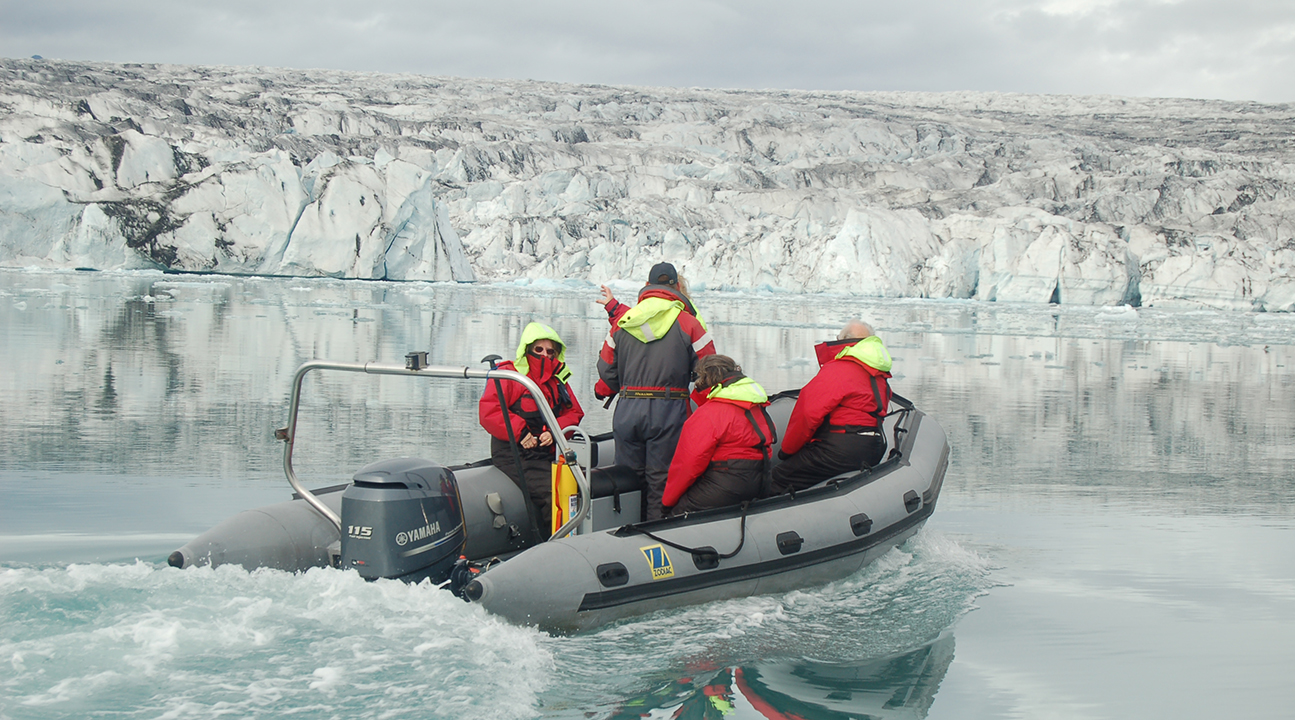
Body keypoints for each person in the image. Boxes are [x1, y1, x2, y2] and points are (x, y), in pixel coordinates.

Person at [595, 262, 716, 520]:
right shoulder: (689, 323)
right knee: (661, 478)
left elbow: (606, 371)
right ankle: (655, 539)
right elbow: (709, 370)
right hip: (668, 411)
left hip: (627, 411)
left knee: (627, 477)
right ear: (676, 287)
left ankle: (624, 535)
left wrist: (614, 387)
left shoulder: (624, 322)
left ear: (647, 287)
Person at [479, 322, 584, 534]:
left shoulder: (558, 379)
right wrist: (521, 432)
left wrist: (554, 432)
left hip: (546, 454)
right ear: (527, 349)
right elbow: (489, 412)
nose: (544, 355)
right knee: (552, 492)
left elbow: (574, 412)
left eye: (550, 351)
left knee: (579, 483)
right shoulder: (509, 375)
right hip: (515, 455)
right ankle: (556, 547)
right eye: (538, 350)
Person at [769, 319, 893, 495]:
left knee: (776, 478)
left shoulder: (839, 369)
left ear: (842, 341)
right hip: (874, 446)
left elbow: (807, 414)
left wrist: (787, 451)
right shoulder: (880, 373)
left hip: (839, 450)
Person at [663, 355, 776, 515]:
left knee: (677, 513)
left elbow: (688, 464)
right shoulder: (756, 407)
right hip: (761, 481)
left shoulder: (709, 413)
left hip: (726, 483)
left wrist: (668, 502)